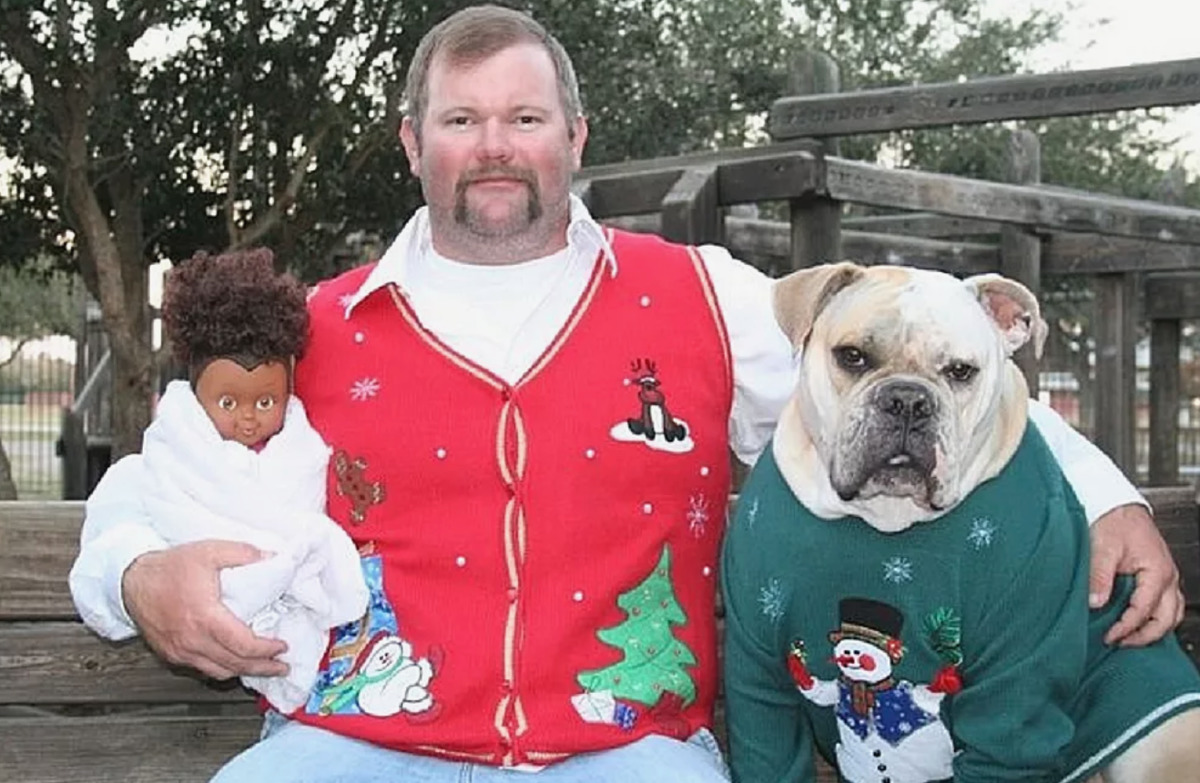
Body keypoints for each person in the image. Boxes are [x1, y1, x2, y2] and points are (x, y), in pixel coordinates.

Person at [68, 5, 1184, 782]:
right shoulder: (312, 334)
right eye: (461, 121)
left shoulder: (707, 298)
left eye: (525, 118)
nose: (494, 146)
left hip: (632, 757)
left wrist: (1104, 497)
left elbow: (934, 373)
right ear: (414, 144)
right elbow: (147, 484)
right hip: (347, 748)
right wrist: (136, 573)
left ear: (576, 138)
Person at [70, 249, 369, 714]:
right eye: (228, 404)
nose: (249, 419)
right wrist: (139, 575)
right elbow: (114, 529)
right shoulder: (172, 457)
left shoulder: (303, 452)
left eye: (266, 403)